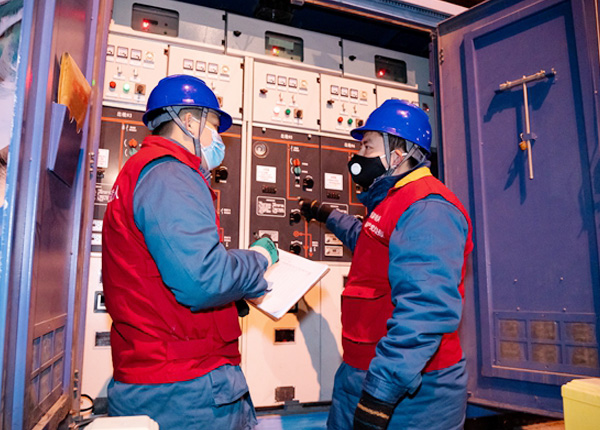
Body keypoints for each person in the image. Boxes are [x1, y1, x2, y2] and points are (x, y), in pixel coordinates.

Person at [102, 75, 278, 430]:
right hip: (185, 388)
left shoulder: (146, 171)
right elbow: (203, 279)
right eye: (213, 126)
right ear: (189, 121)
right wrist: (258, 260)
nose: (218, 139)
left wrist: (233, 292)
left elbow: (167, 274)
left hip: (164, 375)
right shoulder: (170, 174)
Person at [299, 99, 473, 430]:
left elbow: (425, 310)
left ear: (397, 155)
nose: (358, 156)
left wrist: (379, 396)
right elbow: (370, 242)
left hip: (412, 394)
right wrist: (326, 214)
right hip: (363, 373)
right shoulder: (393, 200)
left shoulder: (428, 209)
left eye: (367, 146)